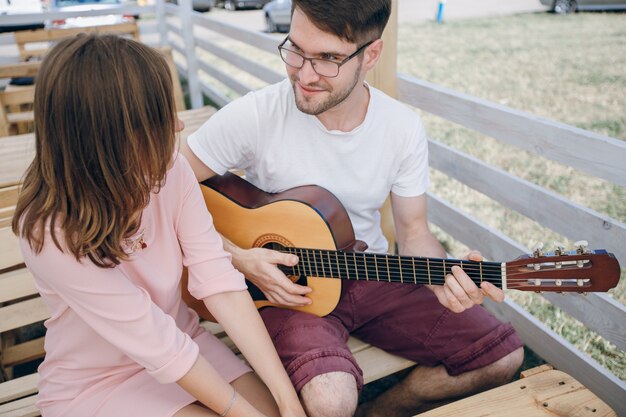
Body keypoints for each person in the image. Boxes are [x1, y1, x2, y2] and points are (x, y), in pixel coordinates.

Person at [180, 1, 525, 416]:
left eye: (327, 58)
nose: (304, 75)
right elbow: (160, 191)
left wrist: (443, 283)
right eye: (296, 50)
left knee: (501, 357)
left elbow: (414, 232)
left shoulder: (401, 127)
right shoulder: (255, 114)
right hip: (287, 290)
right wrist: (239, 257)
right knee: (331, 400)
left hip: (371, 273)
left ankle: (380, 411)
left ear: (371, 55)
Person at [12, 33, 306, 417]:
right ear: (112, 136)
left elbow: (218, 281)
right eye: (159, 117)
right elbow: (157, 342)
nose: (179, 124)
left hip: (185, 342)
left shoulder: (171, 171)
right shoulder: (48, 230)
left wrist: (287, 401)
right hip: (99, 383)